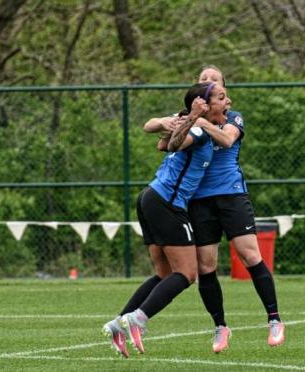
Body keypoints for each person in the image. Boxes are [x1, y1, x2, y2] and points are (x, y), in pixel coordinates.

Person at [143, 66, 284, 353]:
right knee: (206, 265)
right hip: (197, 200)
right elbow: (156, 133)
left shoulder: (231, 116)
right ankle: (220, 327)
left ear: (224, 91)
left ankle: (274, 318)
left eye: (214, 80)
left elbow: (227, 139)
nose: (208, 82)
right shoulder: (190, 117)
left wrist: (200, 120)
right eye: (203, 79)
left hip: (231, 195)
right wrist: (167, 122)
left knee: (249, 254)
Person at [101, 82, 229, 358]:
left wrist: (173, 122)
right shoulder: (197, 128)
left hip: (151, 197)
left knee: (164, 275)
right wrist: (185, 120)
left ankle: (118, 322)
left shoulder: (197, 124)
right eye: (222, 97)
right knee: (186, 274)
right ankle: (138, 318)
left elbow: (161, 139)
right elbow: (171, 140)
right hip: (167, 202)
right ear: (203, 104)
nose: (228, 101)